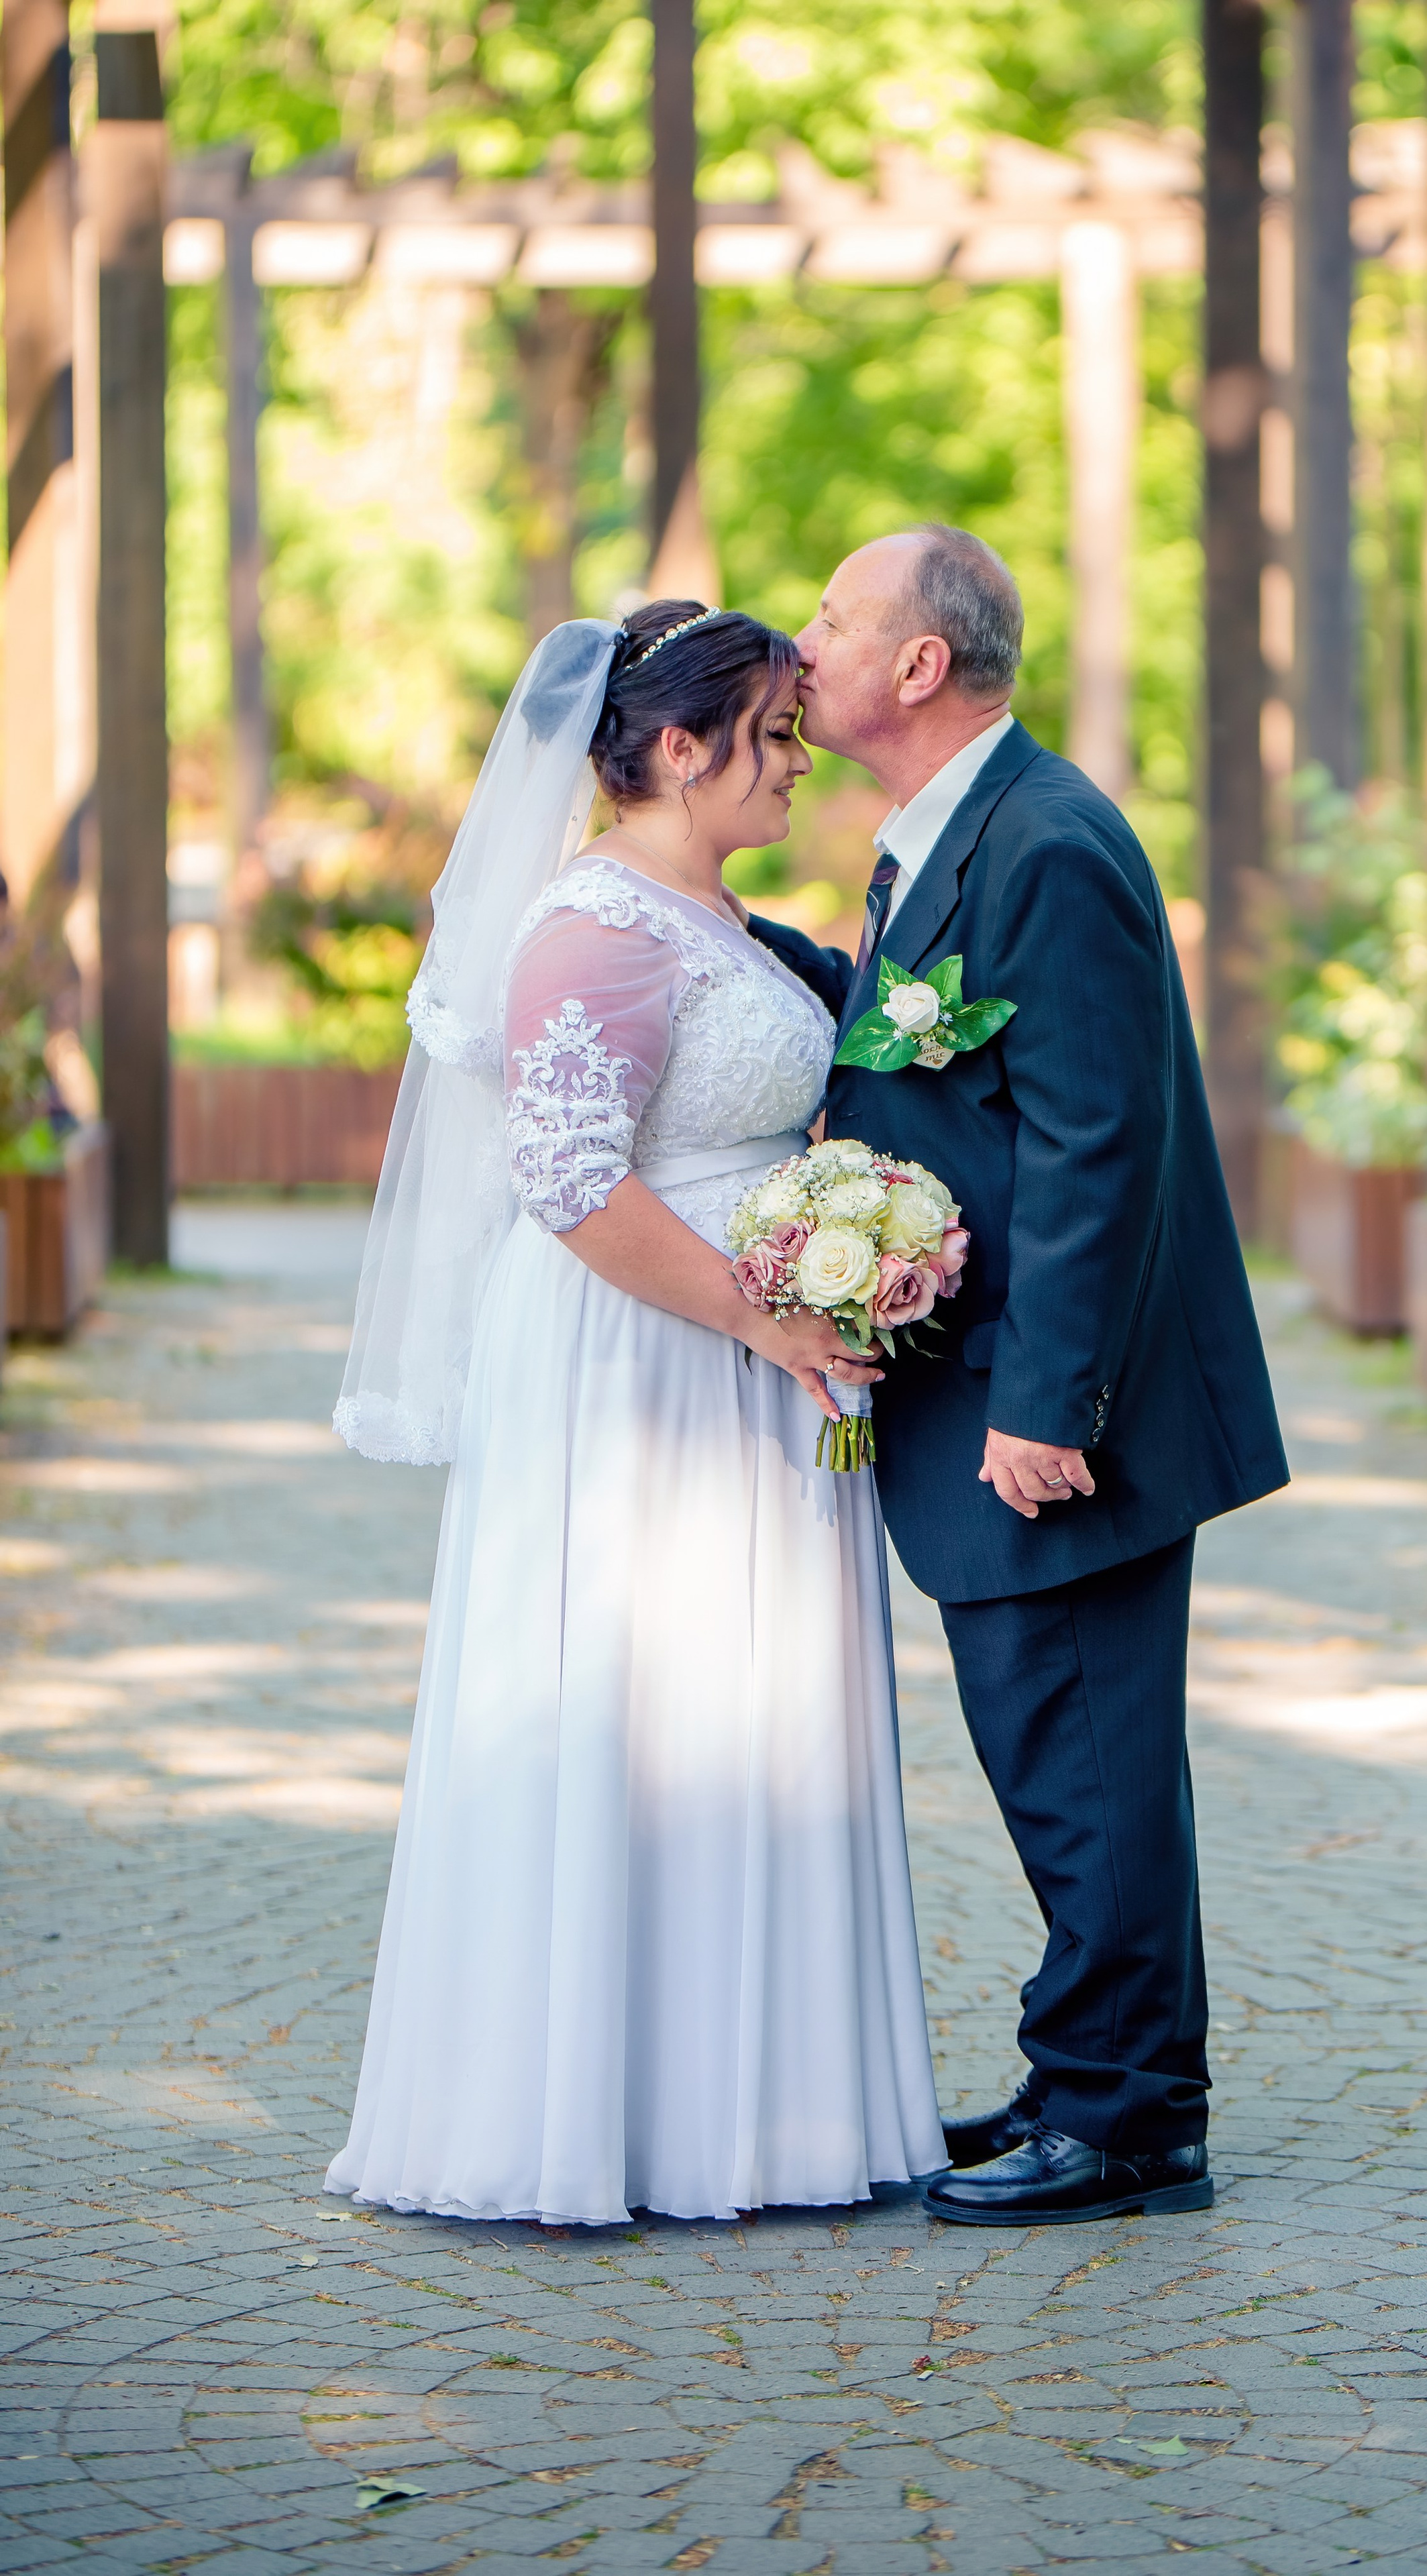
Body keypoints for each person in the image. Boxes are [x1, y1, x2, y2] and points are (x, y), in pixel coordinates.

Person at [325, 605, 945, 2226]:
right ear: (675, 748)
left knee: (743, 1708)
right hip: (637, 1362)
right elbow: (570, 1182)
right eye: (772, 737)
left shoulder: (715, 916)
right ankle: (587, 2117)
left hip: (739, 1350)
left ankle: (756, 2112)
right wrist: (767, 1313)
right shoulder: (593, 926)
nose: (797, 765)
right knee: (631, 1700)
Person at [744, 526, 1289, 2225]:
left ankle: (1129, 2123)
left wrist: (1045, 1407)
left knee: (1085, 1761)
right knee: (1062, 1755)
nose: (803, 645)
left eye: (833, 619)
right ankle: (1088, 2076)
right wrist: (734, 949)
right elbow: (936, 1052)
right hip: (1004, 1394)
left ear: (918, 664)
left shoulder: (1043, 841)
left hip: (1050, 1414)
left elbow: (1093, 1147)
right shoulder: (949, 835)